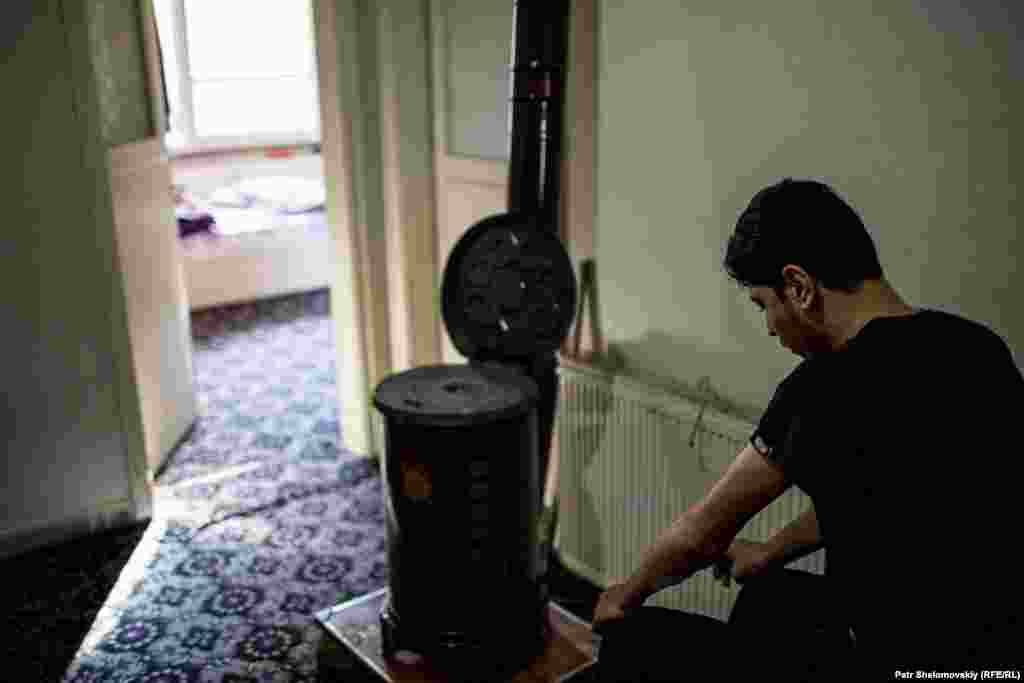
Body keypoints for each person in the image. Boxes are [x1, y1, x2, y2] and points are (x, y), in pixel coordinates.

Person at [591, 178, 1022, 681]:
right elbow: (881, 494)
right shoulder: (976, 347)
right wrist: (770, 550)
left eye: (762, 306)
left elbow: (700, 537)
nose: (770, 327)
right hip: (997, 658)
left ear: (798, 287)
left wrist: (628, 591)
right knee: (770, 591)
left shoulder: (823, 390)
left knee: (631, 643)